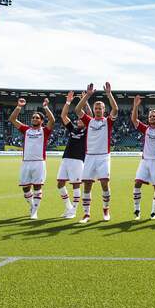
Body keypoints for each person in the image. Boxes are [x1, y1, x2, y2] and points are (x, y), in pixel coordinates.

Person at [75, 82, 119, 223]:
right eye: (96, 108)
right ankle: (86, 214)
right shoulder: (89, 121)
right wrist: (87, 95)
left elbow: (116, 109)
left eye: (100, 108)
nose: (98, 110)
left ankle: (106, 210)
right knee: (87, 184)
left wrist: (109, 94)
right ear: (93, 110)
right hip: (89, 156)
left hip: (103, 156)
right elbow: (77, 110)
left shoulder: (108, 121)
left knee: (104, 183)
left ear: (104, 110)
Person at [9, 97, 55, 220]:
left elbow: (52, 119)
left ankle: (34, 211)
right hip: (26, 163)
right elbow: (12, 119)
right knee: (25, 189)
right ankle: (31, 206)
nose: (34, 119)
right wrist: (19, 106)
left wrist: (45, 107)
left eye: (37, 118)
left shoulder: (45, 131)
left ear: (41, 120)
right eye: (33, 117)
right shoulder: (26, 130)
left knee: (37, 187)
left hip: (39, 163)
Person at [56, 91, 91, 219]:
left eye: (82, 119)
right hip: (66, 159)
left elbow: (90, 116)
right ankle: (69, 207)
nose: (79, 120)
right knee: (60, 183)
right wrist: (68, 102)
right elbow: (63, 115)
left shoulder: (88, 130)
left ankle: (74, 210)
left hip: (78, 160)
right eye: (78, 119)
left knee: (76, 185)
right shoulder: (72, 129)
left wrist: (85, 101)